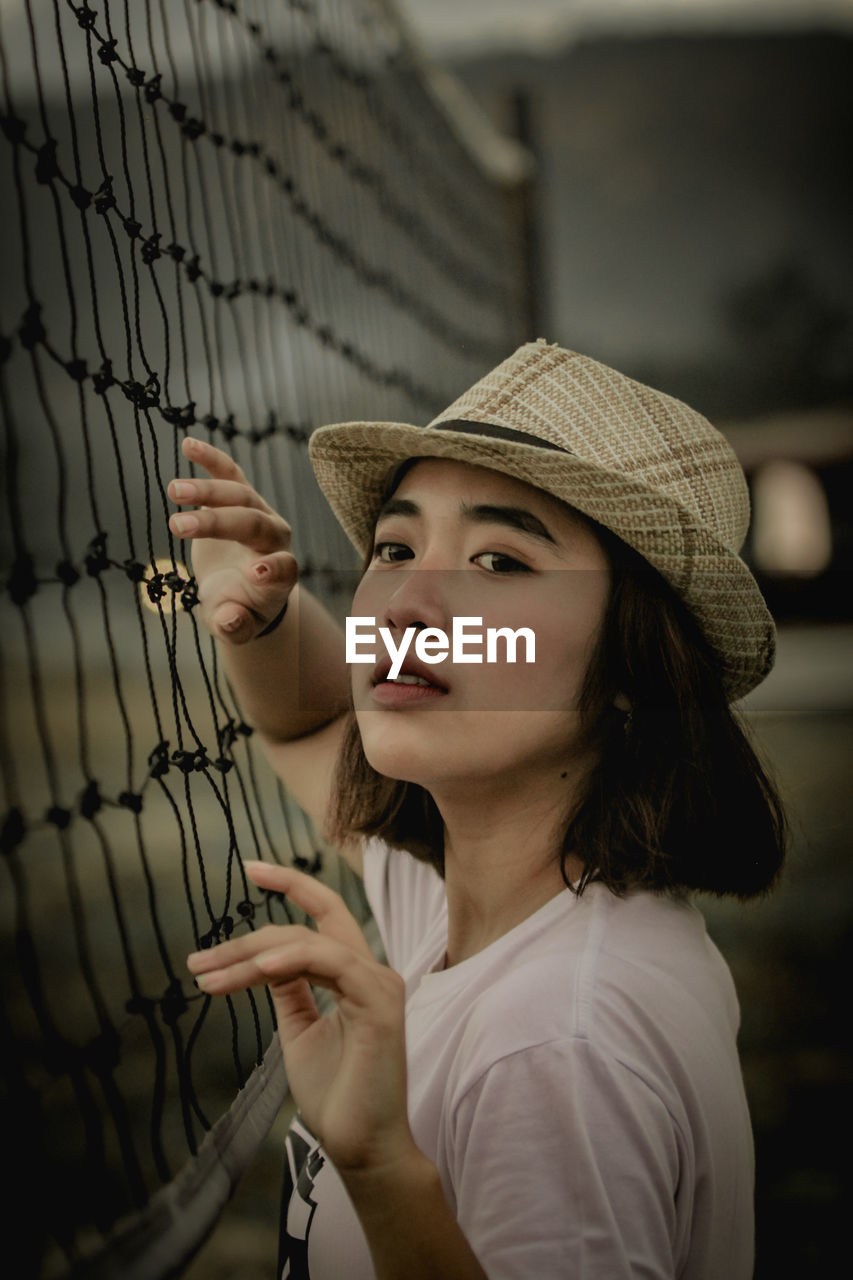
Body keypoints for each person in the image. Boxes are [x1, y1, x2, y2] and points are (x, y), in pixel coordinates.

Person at [170, 339, 786, 1280]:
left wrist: (380, 1167)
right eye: (394, 547)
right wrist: (262, 613)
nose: (410, 604)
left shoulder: (552, 1046)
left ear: (633, 663)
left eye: (498, 561)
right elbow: (309, 727)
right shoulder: (469, 898)